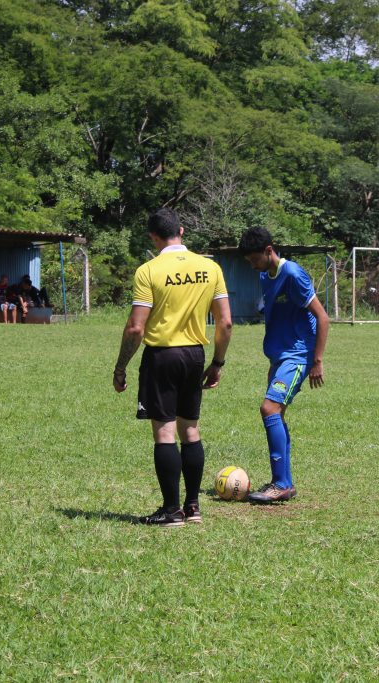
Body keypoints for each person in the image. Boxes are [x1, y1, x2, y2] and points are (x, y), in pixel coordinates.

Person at [113, 208, 232, 527]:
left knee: (165, 433)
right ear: (181, 231)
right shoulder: (210, 268)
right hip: (195, 356)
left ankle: (170, 511)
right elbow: (225, 322)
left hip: (162, 356)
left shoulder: (148, 270)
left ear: (153, 237)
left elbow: (136, 327)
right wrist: (217, 362)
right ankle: (193, 507)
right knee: (190, 430)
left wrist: (120, 367)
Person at [238, 226, 330, 504]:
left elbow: (322, 317)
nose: (253, 266)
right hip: (280, 357)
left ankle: (280, 484)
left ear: (269, 250)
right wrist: (273, 361)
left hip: (298, 355)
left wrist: (317, 360)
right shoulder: (265, 276)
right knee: (276, 412)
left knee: (269, 409)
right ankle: (284, 483)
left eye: (255, 259)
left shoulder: (293, 274)